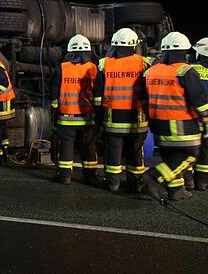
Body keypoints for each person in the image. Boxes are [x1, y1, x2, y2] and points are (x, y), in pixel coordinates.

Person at [140, 33, 208, 202]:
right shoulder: (185, 71)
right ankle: (152, 177)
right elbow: (199, 100)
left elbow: (142, 97)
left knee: (170, 157)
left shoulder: (151, 71)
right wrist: (206, 119)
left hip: (157, 124)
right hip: (181, 123)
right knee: (189, 155)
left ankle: (176, 190)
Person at [92, 27, 151, 193]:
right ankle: (136, 183)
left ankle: (113, 183)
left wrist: (98, 115)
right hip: (136, 116)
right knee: (135, 151)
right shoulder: (144, 63)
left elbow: (97, 93)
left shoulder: (104, 64)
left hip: (113, 116)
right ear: (134, 45)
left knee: (113, 150)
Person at [47, 34, 100, 185]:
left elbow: (53, 94)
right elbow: (98, 95)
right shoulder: (93, 69)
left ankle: (64, 176)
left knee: (66, 146)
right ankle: (90, 176)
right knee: (88, 147)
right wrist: (97, 112)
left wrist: (55, 110)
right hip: (87, 117)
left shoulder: (62, 68)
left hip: (66, 116)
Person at [192, 37, 208, 191]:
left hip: (194, 117)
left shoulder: (191, 69)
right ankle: (202, 182)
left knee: (191, 150)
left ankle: (192, 181)